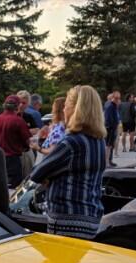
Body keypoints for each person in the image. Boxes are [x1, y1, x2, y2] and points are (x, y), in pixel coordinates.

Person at [27, 85, 106, 240]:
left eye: (66, 105)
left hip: (67, 220)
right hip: (91, 216)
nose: (64, 110)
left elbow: (36, 174)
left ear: (76, 109)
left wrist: (49, 177)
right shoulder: (98, 141)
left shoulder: (71, 143)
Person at [0, 94, 31, 189]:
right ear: (17, 106)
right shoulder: (18, 121)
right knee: (13, 190)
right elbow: (27, 141)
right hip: (12, 161)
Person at [103, 91, 121, 166]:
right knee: (108, 145)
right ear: (113, 98)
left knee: (110, 146)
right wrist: (113, 126)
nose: (118, 100)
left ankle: (109, 161)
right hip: (110, 128)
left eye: (118, 98)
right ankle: (107, 162)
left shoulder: (113, 106)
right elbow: (109, 119)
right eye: (116, 98)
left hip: (112, 128)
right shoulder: (110, 106)